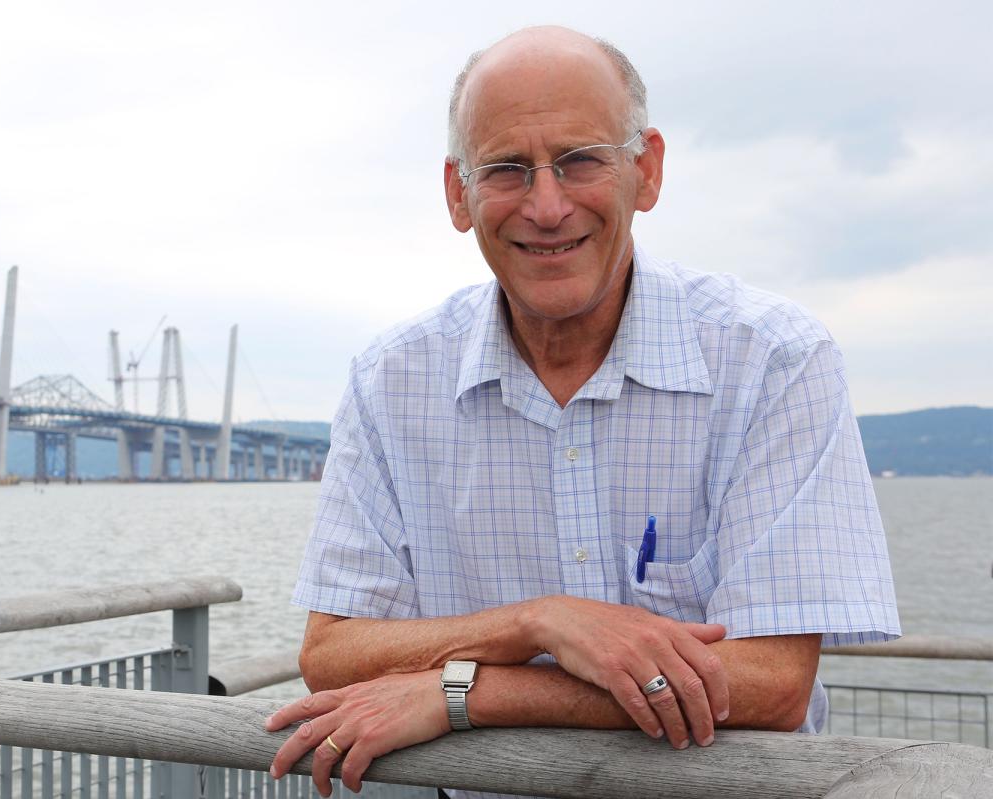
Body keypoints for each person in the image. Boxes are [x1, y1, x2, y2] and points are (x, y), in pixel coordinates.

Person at [266, 25, 900, 798]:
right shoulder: (389, 381)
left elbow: (771, 682)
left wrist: (466, 692)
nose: (547, 205)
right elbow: (331, 653)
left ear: (647, 170)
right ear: (458, 194)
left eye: (580, 160)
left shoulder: (772, 360)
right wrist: (538, 622)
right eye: (506, 169)